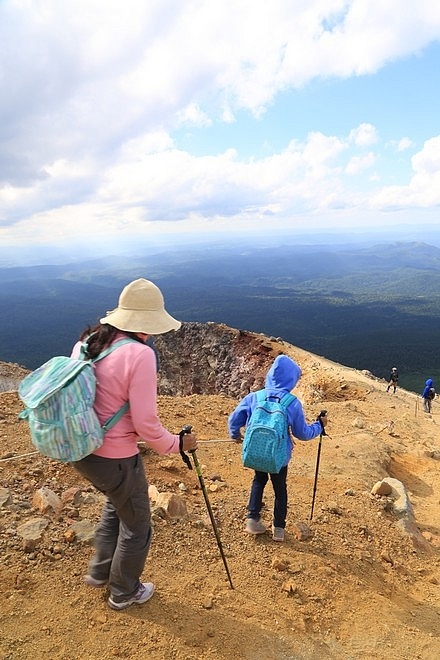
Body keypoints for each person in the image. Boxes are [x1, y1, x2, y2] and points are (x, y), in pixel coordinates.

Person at [71, 278, 197, 611]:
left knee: (117, 504)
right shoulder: (140, 355)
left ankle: (100, 572)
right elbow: (146, 425)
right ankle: (124, 591)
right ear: (146, 323)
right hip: (116, 457)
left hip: (82, 449)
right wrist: (178, 444)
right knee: (138, 525)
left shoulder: (89, 340)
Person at [228, 354, 327, 542]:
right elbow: (303, 433)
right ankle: (279, 529)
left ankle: (252, 519)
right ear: (291, 379)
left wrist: (235, 435)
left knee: (258, 480)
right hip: (279, 457)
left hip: (256, 452)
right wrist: (319, 426)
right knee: (280, 489)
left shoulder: (255, 397)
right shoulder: (292, 403)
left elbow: (234, 419)